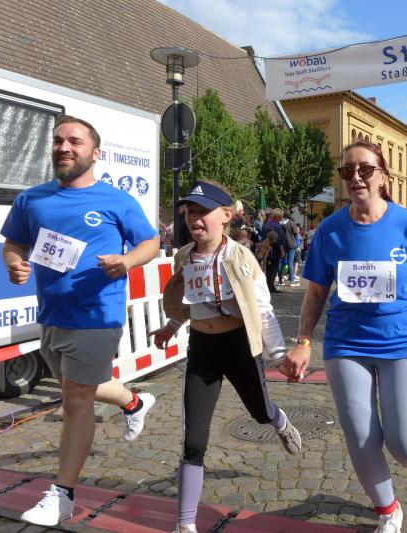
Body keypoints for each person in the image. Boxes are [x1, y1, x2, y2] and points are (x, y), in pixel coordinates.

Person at [279, 141, 407, 533]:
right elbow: (316, 292)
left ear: (383, 176)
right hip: (346, 344)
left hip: (402, 342)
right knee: (361, 438)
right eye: (348, 171)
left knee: (404, 444)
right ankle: (388, 511)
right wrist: (304, 340)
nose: (356, 177)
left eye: (365, 169)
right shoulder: (329, 231)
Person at [1, 115, 160, 527]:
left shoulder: (115, 200)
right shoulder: (32, 199)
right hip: (52, 316)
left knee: (75, 400)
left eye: (74, 141)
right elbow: (14, 243)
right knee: (79, 385)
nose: (64, 147)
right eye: (58, 140)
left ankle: (63, 495)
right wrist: (14, 263)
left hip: (97, 315)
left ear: (95, 152)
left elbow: (150, 241)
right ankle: (135, 402)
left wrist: (127, 260)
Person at [148, 181, 302, 533]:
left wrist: (279, 355)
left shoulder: (240, 257)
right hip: (202, 350)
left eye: (203, 211)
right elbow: (191, 301)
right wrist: (171, 327)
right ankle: (185, 524)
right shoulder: (184, 256)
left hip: (239, 346)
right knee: (194, 440)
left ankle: (279, 421)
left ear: (226, 216)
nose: (194, 218)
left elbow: (262, 309)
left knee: (260, 412)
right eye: (190, 212)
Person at [262, 208, 285, 293]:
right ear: (279, 216)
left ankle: (267, 286)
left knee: (267, 269)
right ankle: (271, 287)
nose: (282, 218)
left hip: (266, 249)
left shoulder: (266, 224)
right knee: (273, 269)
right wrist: (282, 251)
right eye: (281, 216)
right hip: (275, 251)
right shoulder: (278, 226)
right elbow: (280, 240)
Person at [280, 211, 300, 287]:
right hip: (291, 244)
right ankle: (291, 280)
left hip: (282, 244)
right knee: (290, 262)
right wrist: (295, 242)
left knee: (281, 262)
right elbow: (296, 234)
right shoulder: (291, 223)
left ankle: (280, 280)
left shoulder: (280, 223)